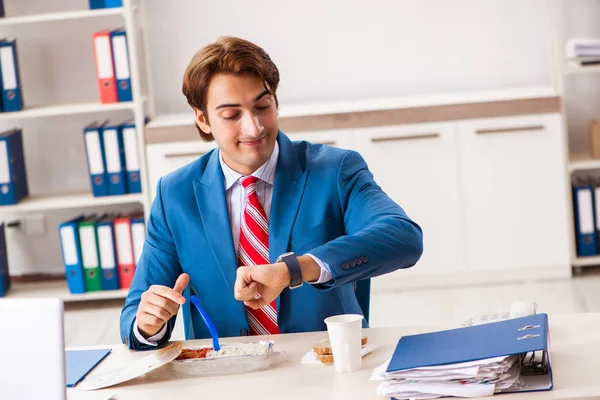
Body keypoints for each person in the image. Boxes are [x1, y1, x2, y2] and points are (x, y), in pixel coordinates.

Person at [120, 36, 423, 350]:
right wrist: (148, 324)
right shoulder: (175, 196)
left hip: (325, 367)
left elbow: (404, 238)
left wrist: (294, 269)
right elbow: (133, 319)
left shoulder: (334, 170)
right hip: (226, 377)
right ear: (202, 119)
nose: (254, 128)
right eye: (231, 116)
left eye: (262, 107)